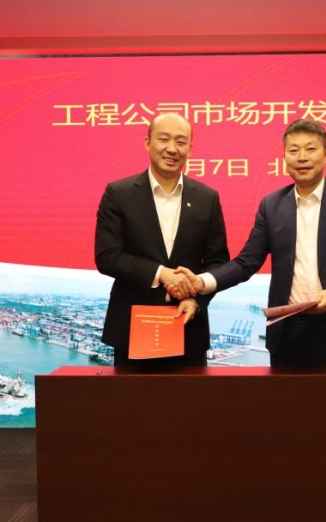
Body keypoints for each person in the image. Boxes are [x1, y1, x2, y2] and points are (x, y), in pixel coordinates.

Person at [178, 119, 326, 367]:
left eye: (310, 149)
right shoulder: (271, 205)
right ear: (284, 158)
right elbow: (246, 262)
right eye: (294, 150)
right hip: (289, 335)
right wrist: (201, 282)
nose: (302, 157)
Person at [94, 112, 230, 368]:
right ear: (148, 142)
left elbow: (218, 262)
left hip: (189, 327)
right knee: (133, 396)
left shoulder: (207, 198)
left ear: (190, 148)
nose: (172, 149)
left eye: (180, 142)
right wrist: (161, 274)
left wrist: (196, 300)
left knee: (191, 396)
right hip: (132, 330)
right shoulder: (119, 193)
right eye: (164, 139)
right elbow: (108, 256)